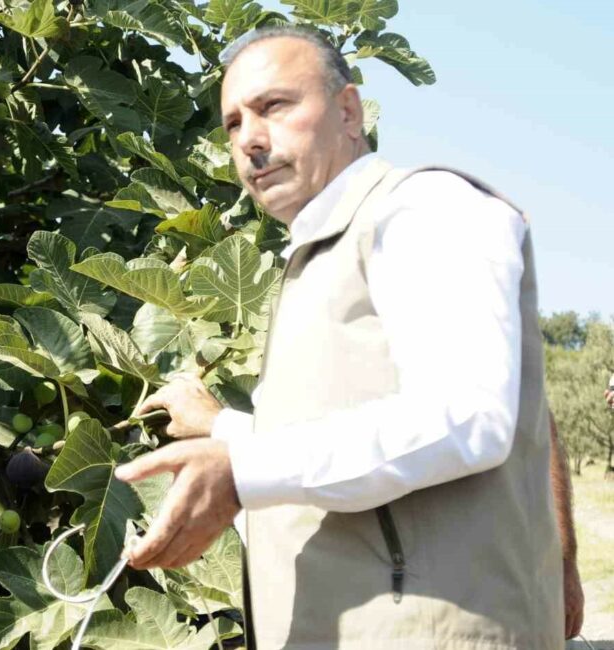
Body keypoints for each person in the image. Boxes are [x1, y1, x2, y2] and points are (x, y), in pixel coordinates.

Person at [114, 26, 581, 647]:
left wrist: (239, 471)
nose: (251, 139)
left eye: (275, 106)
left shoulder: (422, 210)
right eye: (231, 124)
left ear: (348, 110)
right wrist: (223, 428)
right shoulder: (315, 257)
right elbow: (343, 438)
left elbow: (466, 417)